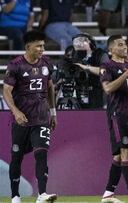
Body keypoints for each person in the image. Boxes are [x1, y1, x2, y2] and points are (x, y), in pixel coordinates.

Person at [2, 30, 57, 203]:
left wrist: (53, 112)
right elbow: (6, 91)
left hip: (41, 117)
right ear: (28, 46)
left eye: (43, 46)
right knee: (16, 157)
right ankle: (15, 195)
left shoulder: (47, 63)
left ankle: (42, 194)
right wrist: (16, 112)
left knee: (41, 153)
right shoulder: (16, 65)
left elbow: (50, 88)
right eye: (38, 46)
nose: (42, 49)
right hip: (22, 119)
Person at [100, 34, 128, 203]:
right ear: (111, 49)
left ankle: (108, 193)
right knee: (125, 153)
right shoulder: (107, 66)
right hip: (117, 114)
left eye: (125, 44)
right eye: (120, 44)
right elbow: (108, 88)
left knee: (120, 157)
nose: (124, 47)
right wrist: (126, 73)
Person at [72, 33, 109, 109]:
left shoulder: (100, 54)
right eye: (76, 41)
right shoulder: (75, 56)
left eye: (82, 40)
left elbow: (106, 71)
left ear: (91, 43)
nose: (79, 43)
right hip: (80, 92)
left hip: (97, 92)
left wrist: (86, 67)